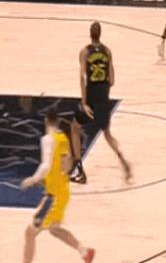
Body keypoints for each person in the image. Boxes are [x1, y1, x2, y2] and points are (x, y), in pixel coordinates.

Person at [20, 110, 96, 263]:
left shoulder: (47, 139)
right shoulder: (63, 138)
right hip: (63, 191)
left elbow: (46, 166)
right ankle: (84, 252)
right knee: (54, 228)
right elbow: (66, 166)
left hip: (53, 196)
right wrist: (49, 180)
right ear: (57, 121)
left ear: (46, 121)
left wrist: (33, 179)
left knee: (30, 232)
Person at [75, 22, 132, 183]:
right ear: (100, 34)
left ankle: (79, 170)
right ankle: (122, 158)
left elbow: (82, 77)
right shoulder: (107, 51)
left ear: (90, 34)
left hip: (91, 95)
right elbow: (112, 79)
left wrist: (84, 102)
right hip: (104, 96)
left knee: (74, 127)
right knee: (107, 134)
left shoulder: (85, 52)